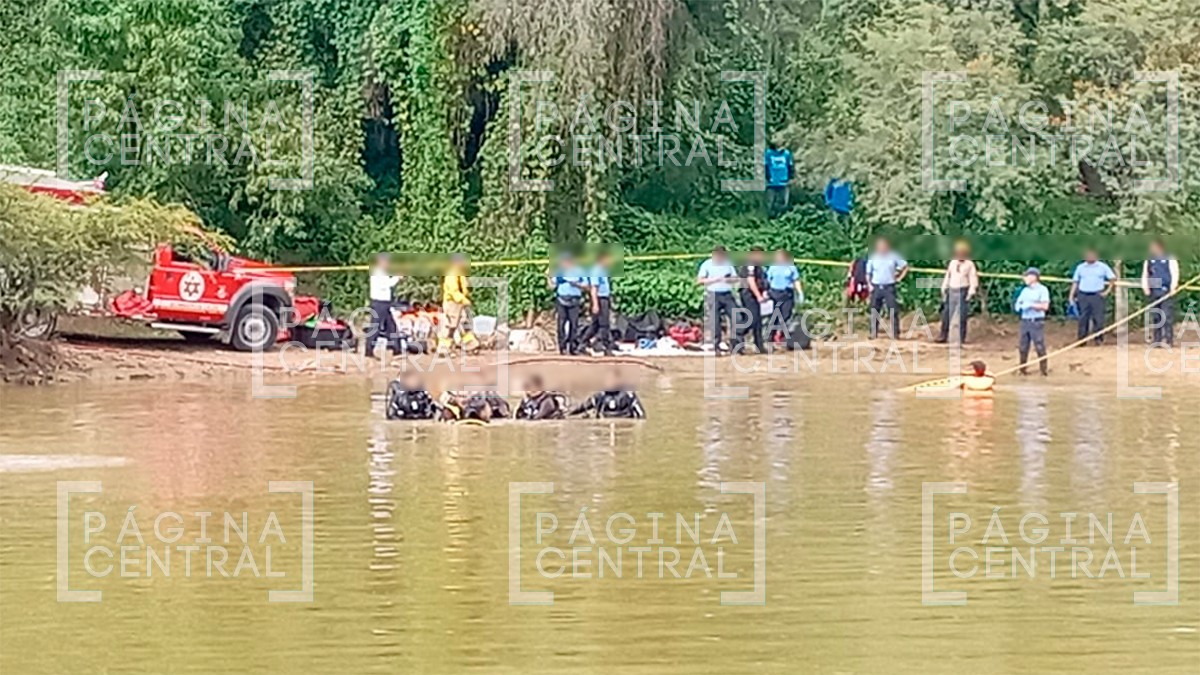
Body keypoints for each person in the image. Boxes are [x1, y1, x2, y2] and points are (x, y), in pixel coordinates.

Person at [1068, 248, 1116, 345]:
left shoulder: (1103, 267)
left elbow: (1112, 279)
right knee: (1083, 318)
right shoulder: (1080, 267)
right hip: (1083, 295)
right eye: (1088, 255)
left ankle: (1098, 340)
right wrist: (1071, 296)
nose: (1089, 257)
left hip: (1097, 295)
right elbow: (1075, 282)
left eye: (1092, 255)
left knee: (1098, 319)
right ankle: (1082, 340)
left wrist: (1107, 291)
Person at [697, 246, 739, 353]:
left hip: (727, 294)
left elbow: (735, 278)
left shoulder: (728, 264)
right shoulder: (707, 264)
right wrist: (714, 280)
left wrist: (728, 279)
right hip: (713, 294)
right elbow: (700, 280)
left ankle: (736, 345)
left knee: (736, 318)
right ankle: (716, 346)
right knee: (715, 321)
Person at [936, 241, 979, 344]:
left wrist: (971, 292)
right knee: (946, 314)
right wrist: (944, 287)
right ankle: (943, 335)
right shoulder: (953, 262)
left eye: (962, 253)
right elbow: (948, 275)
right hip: (951, 290)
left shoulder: (970, 264)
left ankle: (961, 338)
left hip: (962, 291)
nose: (960, 255)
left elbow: (973, 279)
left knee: (962, 316)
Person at [548, 252, 590, 355]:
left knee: (574, 324)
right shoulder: (560, 272)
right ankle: (562, 347)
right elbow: (551, 287)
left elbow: (586, 286)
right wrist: (548, 277)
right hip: (562, 299)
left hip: (575, 299)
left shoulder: (579, 271)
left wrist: (576, 284)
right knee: (561, 324)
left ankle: (572, 347)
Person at [866, 238, 908, 339]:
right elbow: (868, 273)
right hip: (876, 287)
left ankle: (895, 334)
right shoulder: (873, 257)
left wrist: (899, 278)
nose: (881, 248)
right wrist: (869, 285)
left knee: (893, 310)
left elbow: (905, 266)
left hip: (889, 287)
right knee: (874, 310)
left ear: (887, 246)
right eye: (880, 246)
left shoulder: (893, 256)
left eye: (883, 246)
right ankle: (873, 333)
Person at [437, 253, 479, 355]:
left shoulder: (459, 272)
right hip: (452, 302)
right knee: (450, 325)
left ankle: (470, 344)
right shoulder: (452, 274)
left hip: (459, 302)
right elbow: (453, 291)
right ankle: (444, 348)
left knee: (464, 323)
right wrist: (463, 300)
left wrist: (464, 299)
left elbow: (464, 287)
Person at [1142, 239, 1179, 348]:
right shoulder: (1149, 260)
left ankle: (1168, 339)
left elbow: (1174, 273)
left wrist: (1173, 287)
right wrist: (1146, 287)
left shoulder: (1169, 258)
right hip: (1154, 290)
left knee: (1167, 316)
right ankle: (1157, 339)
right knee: (1156, 316)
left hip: (1165, 290)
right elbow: (1146, 274)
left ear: (1159, 247)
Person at [1014, 267, 1050, 376]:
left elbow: (1045, 306)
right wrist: (1019, 307)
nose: (1024, 278)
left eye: (1027, 276)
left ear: (1034, 277)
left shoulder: (1042, 290)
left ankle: (1043, 371)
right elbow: (1018, 304)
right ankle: (1022, 369)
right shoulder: (1025, 291)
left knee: (1039, 345)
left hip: (1036, 321)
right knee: (1023, 346)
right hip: (1025, 321)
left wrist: (1031, 305)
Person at [579, 250, 615, 356]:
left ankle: (582, 343)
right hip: (599, 299)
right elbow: (593, 289)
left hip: (605, 298)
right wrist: (595, 304)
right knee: (604, 324)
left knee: (595, 325)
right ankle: (606, 347)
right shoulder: (596, 271)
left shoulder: (604, 271)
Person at [765, 249, 803, 346]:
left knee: (786, 315)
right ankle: (770, 336)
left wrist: (800, 292)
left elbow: (796, 280)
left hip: (787, 293)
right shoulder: (772, 268)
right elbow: (768, 281)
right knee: (775, 315)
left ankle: (779, 334)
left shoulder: (791, 268)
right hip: (775, 293)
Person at [568, 372, 646, 419]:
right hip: (604, 424)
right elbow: (583, 407)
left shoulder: (628, 395)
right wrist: (568, 414)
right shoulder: (600, 395)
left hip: (623, 423)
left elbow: (641, 415)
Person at [367, 253, 402, 356]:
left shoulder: (381, 272)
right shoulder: (379, 273)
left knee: (391, 326)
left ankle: (396, 348)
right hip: (379, 303)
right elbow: (386, 285)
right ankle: (369, 349)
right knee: (375, 327)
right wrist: (397, 278)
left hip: (384, 303)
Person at [735, 247, 768, 354]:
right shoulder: (750, 264)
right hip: (748, 294)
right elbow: (750, 281)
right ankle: (737, 337)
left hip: (753, 294)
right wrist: (758, 296)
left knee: (758, 321)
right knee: (752, 319)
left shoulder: (757, 265)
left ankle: (759, 346)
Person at [764, 140, 794, 219]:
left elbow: (790, 166)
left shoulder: (786, 154)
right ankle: (770, 219)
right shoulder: (768, 153)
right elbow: (765, 166)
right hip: (771, 182)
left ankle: (781, 218)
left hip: (784, 182)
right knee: (770, 203)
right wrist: (767, 178)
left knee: (783, 202)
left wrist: (790, 178)